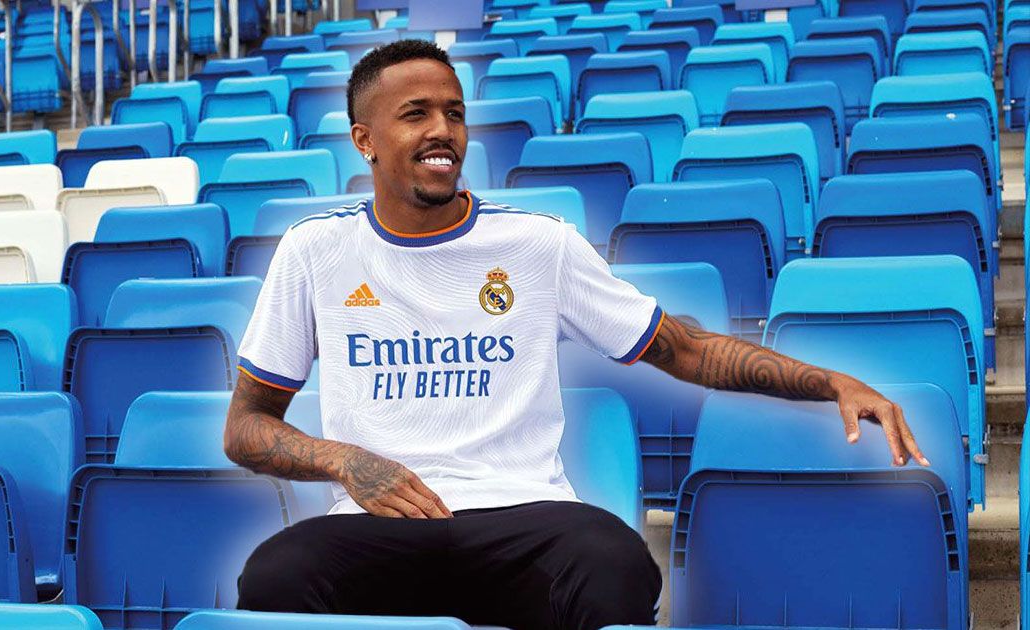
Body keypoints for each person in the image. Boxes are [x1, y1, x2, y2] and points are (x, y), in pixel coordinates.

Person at [224, 39, 928, 630]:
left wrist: (830, 381)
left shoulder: (538, 244)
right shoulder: (314, 252)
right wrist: (347, 462)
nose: (443, 131)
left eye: (455, 114)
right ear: (364, 140)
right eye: (416, 115)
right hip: (377, 525)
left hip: (523, 517)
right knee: (275, 577)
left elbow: (681, 349)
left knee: (615, 563)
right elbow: (246, 427)